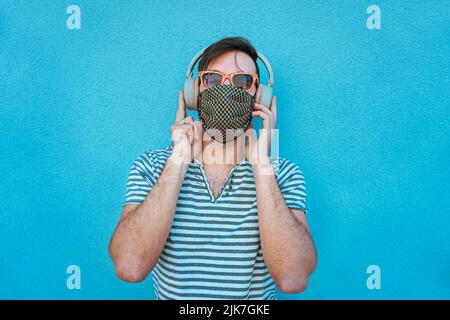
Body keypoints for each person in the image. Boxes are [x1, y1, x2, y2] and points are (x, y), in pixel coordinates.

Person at [109, 37, 317, 300]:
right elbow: (129, 266)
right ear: (195, 91)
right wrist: (178, 160)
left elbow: (293, 278)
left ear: (259, 95)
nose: (227, 90)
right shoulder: (152, 167)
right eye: (213, 79)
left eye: (242, 81)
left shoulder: (283, 174)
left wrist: (262, 165)